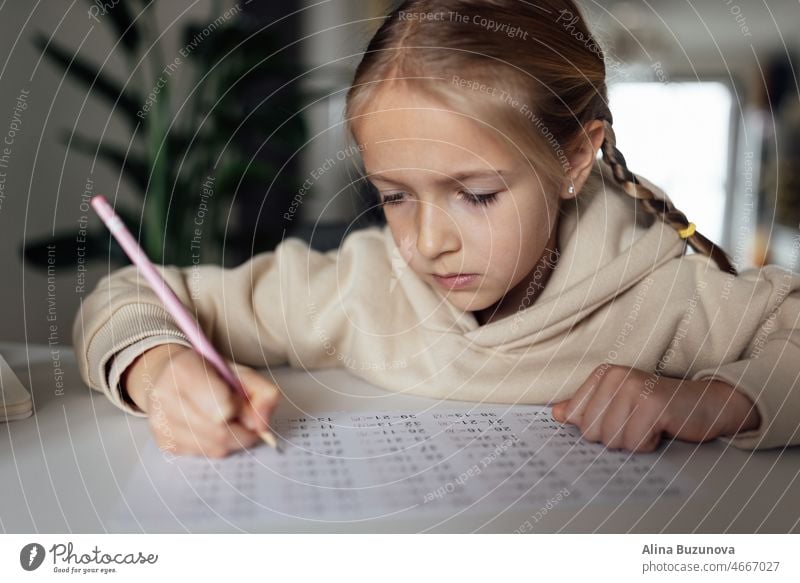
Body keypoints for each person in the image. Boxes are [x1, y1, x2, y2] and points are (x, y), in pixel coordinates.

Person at [73, 0, 799, 458]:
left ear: (574, 157)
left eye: (476, 195)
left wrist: (715, 397)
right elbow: (128, 293)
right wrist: (161, 370)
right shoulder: (362, 286)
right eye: (393, 196)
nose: (425, 243)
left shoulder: (665, 297)